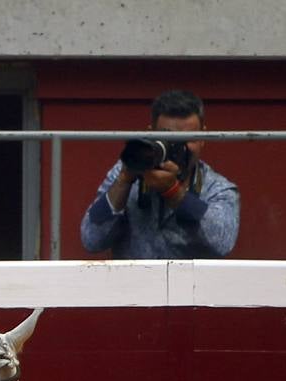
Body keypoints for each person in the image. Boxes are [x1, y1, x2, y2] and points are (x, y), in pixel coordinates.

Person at [80, 89, 239, 259]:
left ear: (202, 138)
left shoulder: (217, 188)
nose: (178, 148)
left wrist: (174, 192)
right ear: (150, 133)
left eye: (188, 139)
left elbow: (222, 243)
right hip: (133, 283)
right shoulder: (125, 172)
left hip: (190, 285)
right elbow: (91, 239)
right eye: (168, 138)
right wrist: (125, 180)